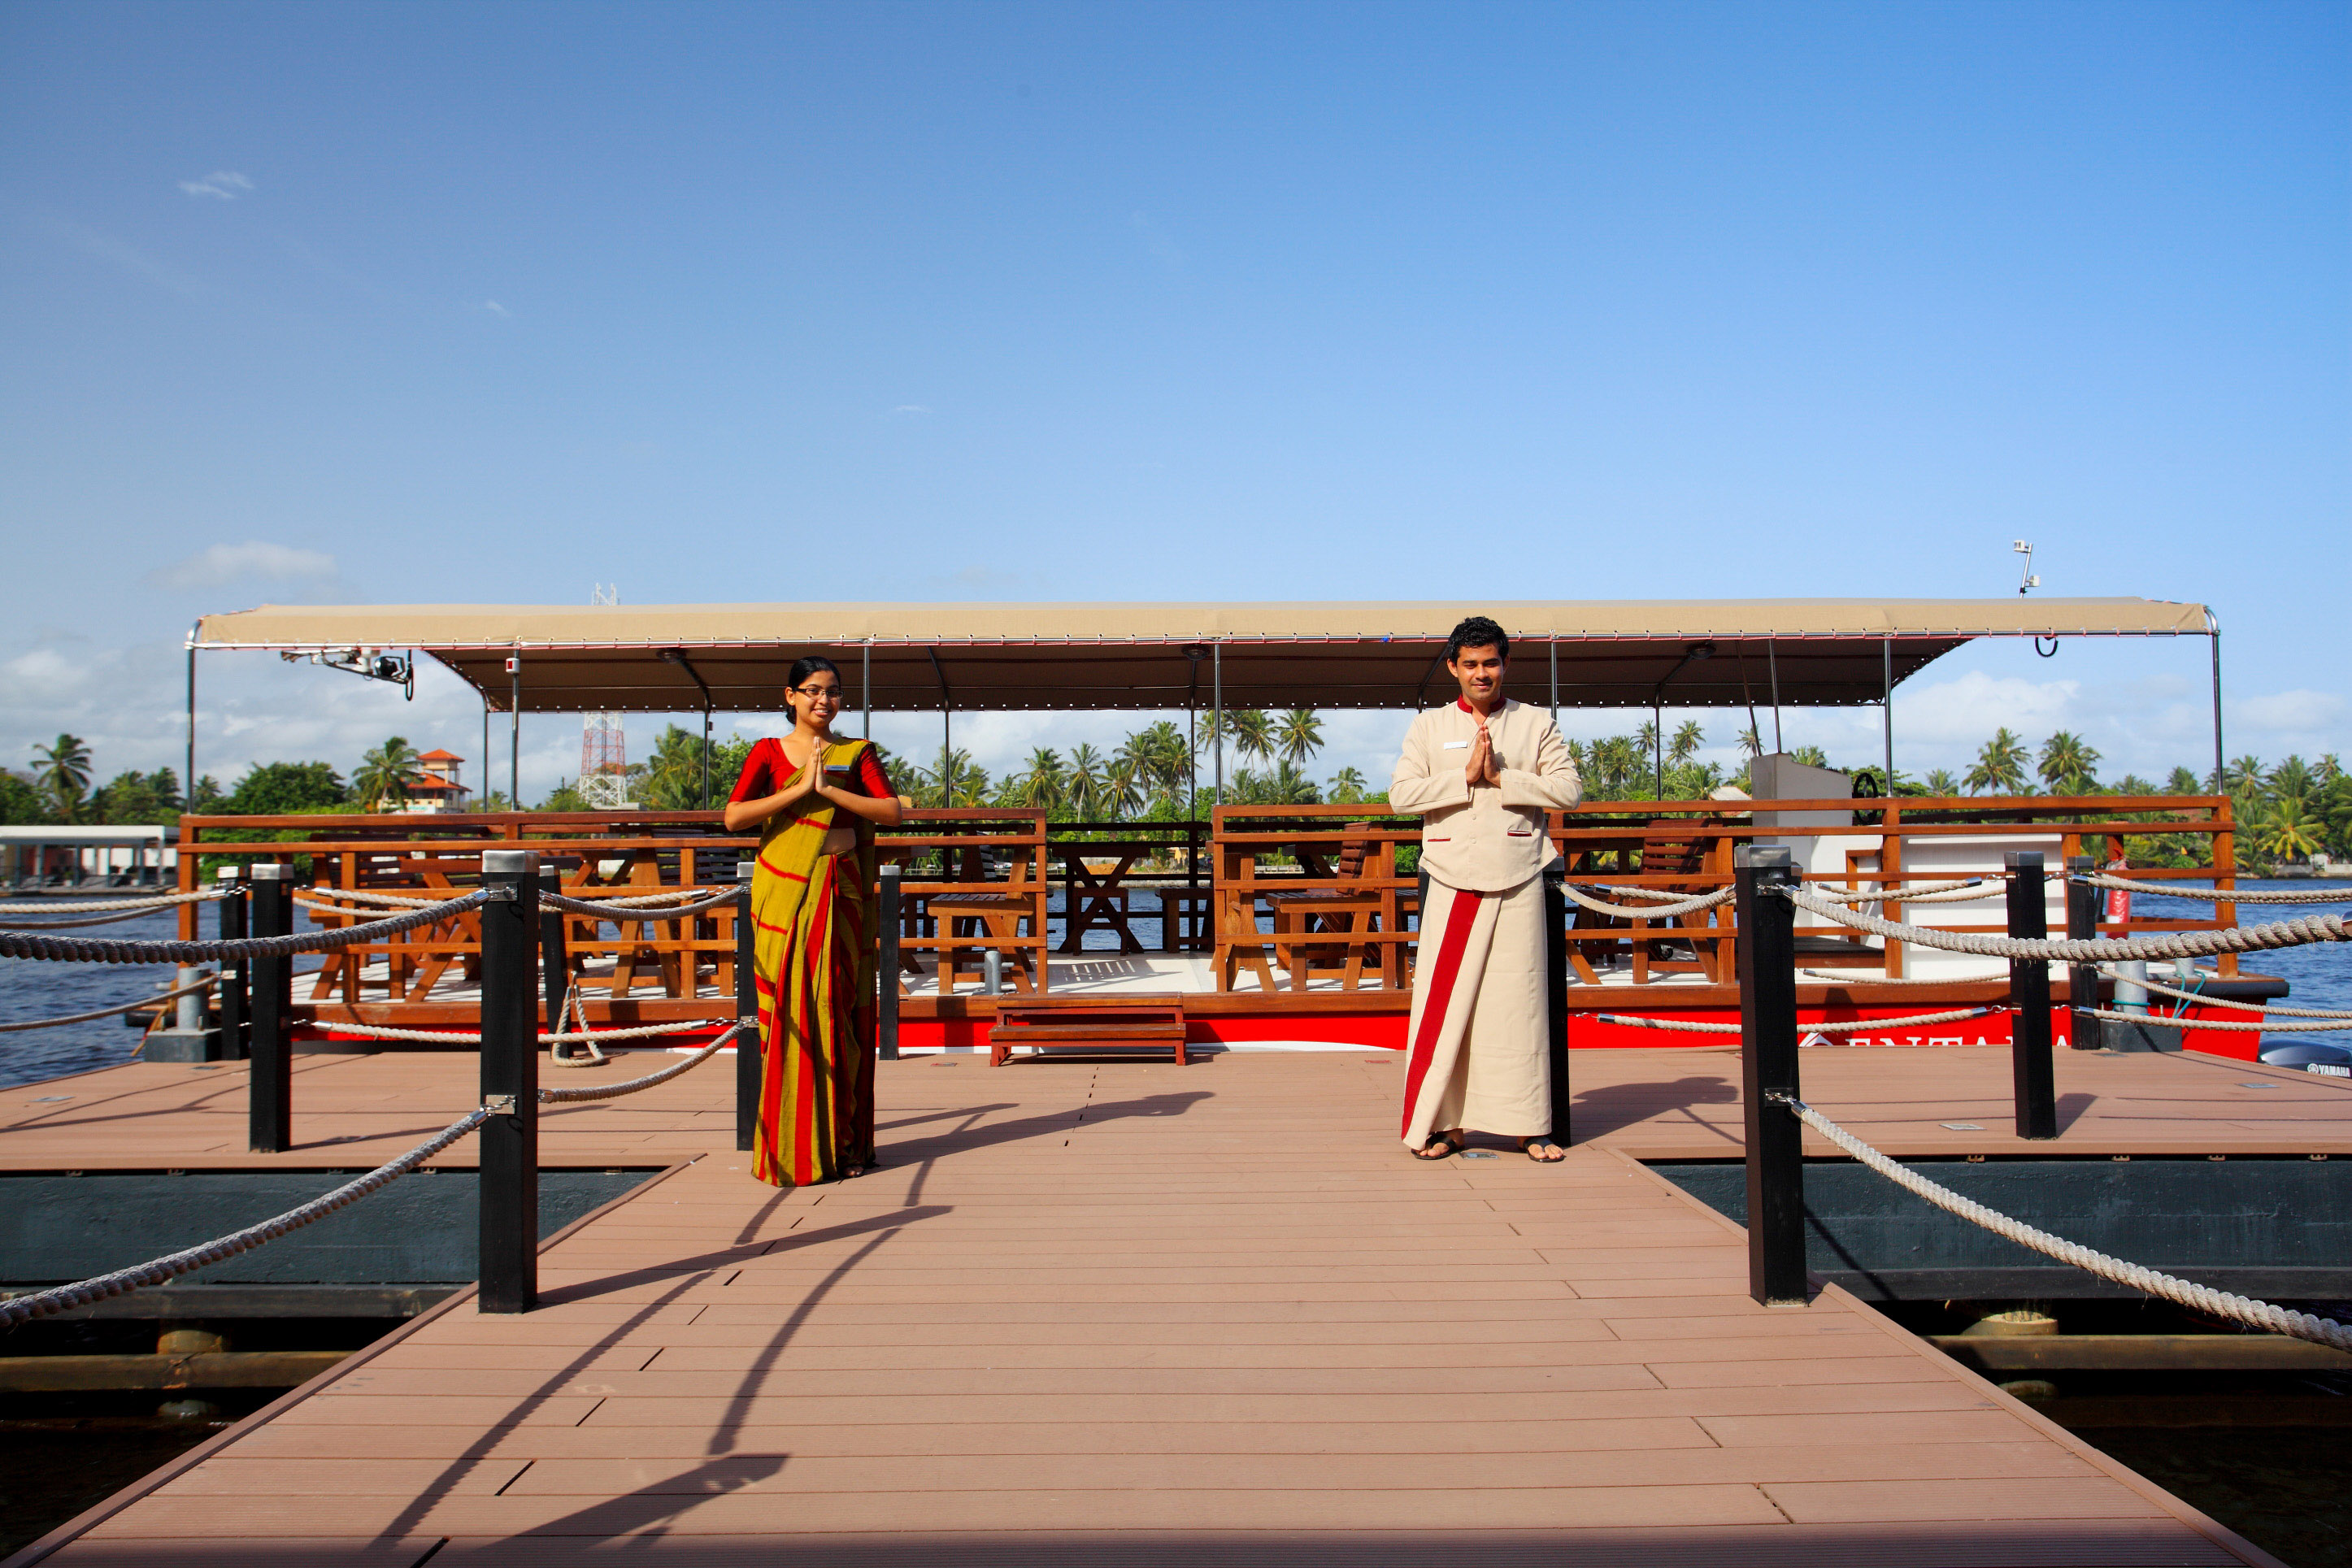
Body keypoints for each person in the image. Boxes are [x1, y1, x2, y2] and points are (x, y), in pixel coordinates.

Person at [1389, 616, 1583, 1162]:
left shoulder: (1533, 722)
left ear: (1504, 665)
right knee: (1449, 1006)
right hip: (1451, 874)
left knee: (1518, 1005)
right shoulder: (1428, 726)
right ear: (1453, 667)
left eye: (1490, 663)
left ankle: (1528, 1125)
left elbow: (1568, 789)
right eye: (1470, 664)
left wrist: (1504, 779)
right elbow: (1400, 796)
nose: (1481, 673)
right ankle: (1446, 1124)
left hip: (1518, 871)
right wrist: (1464, 779)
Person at [721, 655, 902, 1185]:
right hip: (786, 893)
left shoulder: (854, 753)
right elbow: (734, 816)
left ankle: (844, 1141)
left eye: (833, 691)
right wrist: (798, 791)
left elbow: (890, 812)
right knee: (794, 1011)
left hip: (838, 887)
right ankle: (792, 1146)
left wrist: (827, 790)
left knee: (837, 1008)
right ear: (790, 696)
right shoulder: (768, 752)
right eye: (812, 690)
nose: (823, 700)